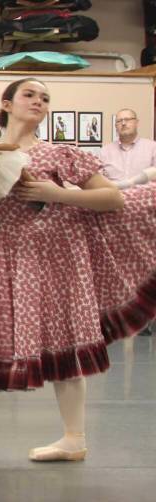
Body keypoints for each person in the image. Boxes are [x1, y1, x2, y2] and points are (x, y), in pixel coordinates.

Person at [0, 78, 156, 462]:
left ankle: (74, 436)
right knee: (53, 341)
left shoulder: (60, 152)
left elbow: (112, 199)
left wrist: (56, 193)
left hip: (63, 251)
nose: (38, 101)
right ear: (6, 104)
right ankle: (73, 438)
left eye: (45, 97)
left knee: (67, 338)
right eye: (29, 94)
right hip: (18, 255)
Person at [99, 108, 156, 335]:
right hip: (114, 217)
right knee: (117, 268)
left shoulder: (152, 148)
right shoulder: (105, 151)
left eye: (127, 120)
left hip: (144, 218)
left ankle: (143, 319)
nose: (123, 124)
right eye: (119, 121)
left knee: (144, 267)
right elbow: (99, 180)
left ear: (137, 122)